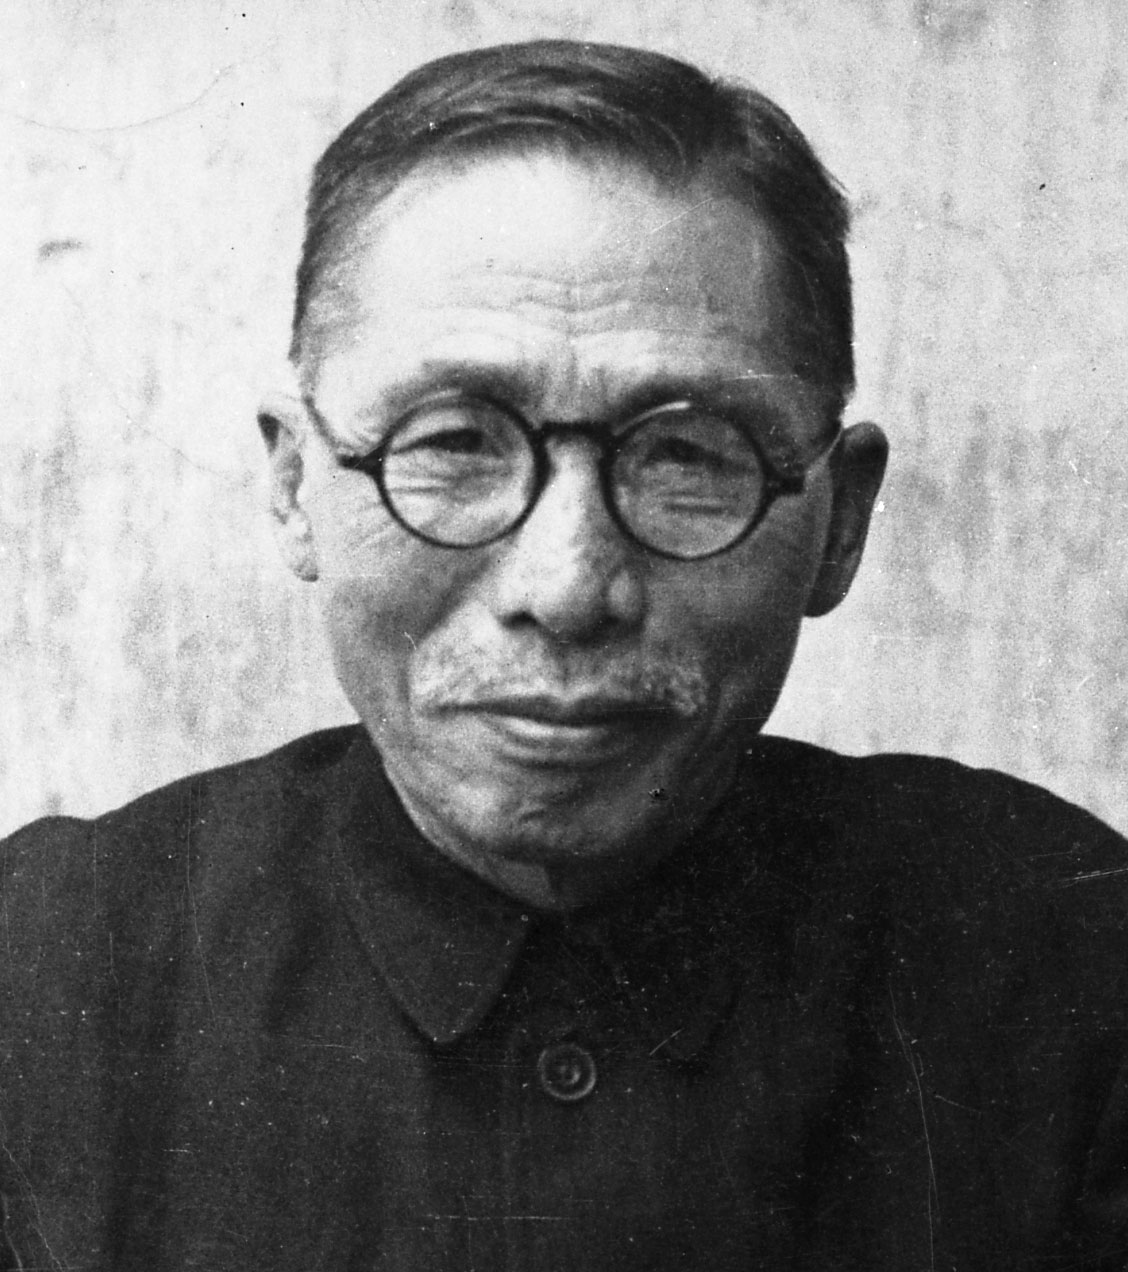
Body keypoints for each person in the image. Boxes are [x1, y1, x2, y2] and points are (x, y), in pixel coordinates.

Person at [2, 38, 1126, 1272]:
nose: (568, 588)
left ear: (841, 522)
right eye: (453, 443)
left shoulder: (1071, 962)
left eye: (685, 455)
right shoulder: (42, 971)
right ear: (293, 486)